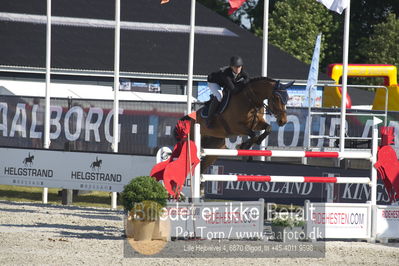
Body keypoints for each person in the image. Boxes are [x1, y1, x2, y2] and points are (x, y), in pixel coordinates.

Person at [206, 55, 250, 128]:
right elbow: (233, 90)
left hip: (224, 83)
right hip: (213, 82)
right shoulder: (226, 74)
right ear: (231, 67)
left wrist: (245, 82)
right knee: (220, 96)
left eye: (239, 67)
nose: (237, 69)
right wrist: (242, 83)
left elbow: (248, 79)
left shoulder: (243, 72)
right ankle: (209, 119)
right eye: (235, 67)